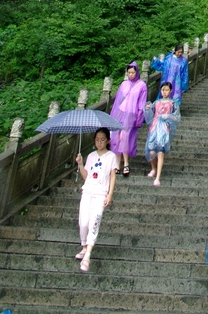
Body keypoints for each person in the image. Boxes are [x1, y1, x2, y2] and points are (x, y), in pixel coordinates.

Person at [75, 127, 117, 272]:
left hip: (100, 193)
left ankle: (88, 254)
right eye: (97, 139)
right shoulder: (91, 156)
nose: (99, 142)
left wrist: (109, 194)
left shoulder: (111, 156)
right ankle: (84, 246)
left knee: (94, 222)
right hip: (87, 191)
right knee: (83, 222)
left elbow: (112, 176)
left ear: (108, 141)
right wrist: (80, 164)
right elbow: (86, 176)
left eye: (102, 140)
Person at [109, 61, 148, 176]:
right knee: (116, 138)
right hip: (120, 112)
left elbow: (142, 103)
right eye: (129, 72)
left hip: (131, 114)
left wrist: (139, 118)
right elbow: (118, 100)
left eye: (132, 72)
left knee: (125, 137)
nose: (131, 75)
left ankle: (126, 163)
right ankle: (117, 164)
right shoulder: (124, 84)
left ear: (137, 72)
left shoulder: (142, 85)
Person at [144, 82, 181, 185]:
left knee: (160, 152)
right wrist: (147, 108)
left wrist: (168, 116)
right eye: (163, 90)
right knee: (151, 151)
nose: (164, 92)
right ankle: (153, 168)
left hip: (164, 129)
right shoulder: (156, 102)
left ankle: (158, 177)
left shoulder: (173, 104)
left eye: (166, 90)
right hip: (154, 128)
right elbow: (150, 113)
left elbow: (177, 118)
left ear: (170, 91)